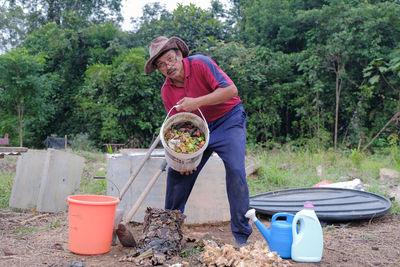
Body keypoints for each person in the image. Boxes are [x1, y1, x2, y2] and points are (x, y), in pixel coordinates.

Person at [144, 36, 252, 246]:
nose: (168, 66)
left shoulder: (201, 63)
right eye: (161, 65)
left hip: (228, 121)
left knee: (236, 171)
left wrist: (197, 102)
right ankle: (168, 235)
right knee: (176, 176)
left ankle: (241, 236)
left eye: (170, 59)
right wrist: (182, 158)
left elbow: (231, 91)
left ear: (180, 55)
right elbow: (177, 126)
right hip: (196, 131)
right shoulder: (167, 91)